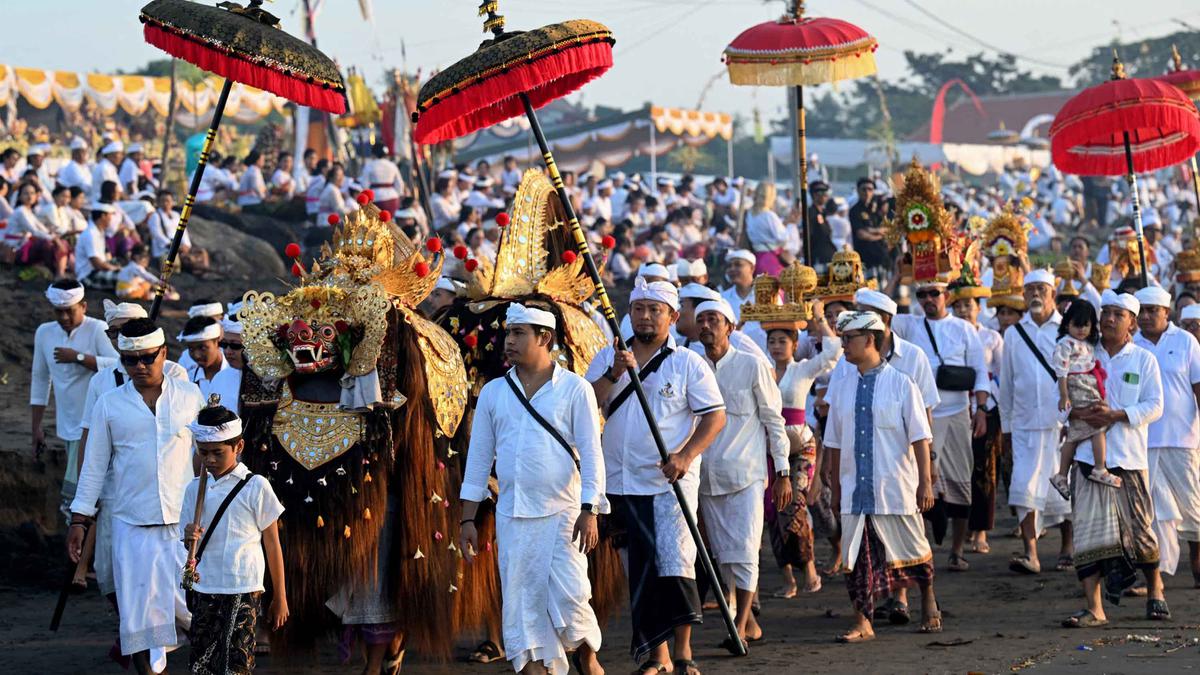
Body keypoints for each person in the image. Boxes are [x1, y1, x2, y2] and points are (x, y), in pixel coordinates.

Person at [585, 278, 725, 675]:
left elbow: (715, 416)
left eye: (655, 310)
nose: (645, 317)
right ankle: (657, 656)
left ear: (673, 317)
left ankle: (683, 652)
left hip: (669, 482)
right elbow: (588, 403)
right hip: (620, 482)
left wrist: (685, 455)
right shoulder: (608, 356)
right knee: (640, 569)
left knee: (676, 564)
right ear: (629, 313)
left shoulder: (687, 363)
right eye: (639, 309)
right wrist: (613, 373)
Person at [460, 304, 607, 675]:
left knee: (574, 603)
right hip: (513, 517)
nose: (508, 341)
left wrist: (590, 509)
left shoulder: (575, 389)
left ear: (545, 338)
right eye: (508, 333)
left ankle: (589, 664)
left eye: (519, 333)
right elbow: (478, 460)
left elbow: (591, 454)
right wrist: (467, 519)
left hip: (565, 516)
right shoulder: (494, 392)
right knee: (522, 613)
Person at [67, 318, 204, 674]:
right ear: (121, 360)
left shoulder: (190, 397)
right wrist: (79, 519)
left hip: (183, 525)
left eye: (147, 357)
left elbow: (208, 458)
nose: (140, 366)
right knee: (136, 619)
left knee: (190, 612)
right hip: (130, 526)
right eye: (131, 360)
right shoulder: (109, 404)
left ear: (164, 353)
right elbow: (94, 468)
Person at [823, 310, 938, 642]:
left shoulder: (902, 384)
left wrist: (925, 481)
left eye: (849, 339)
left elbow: (920, 437)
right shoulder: (842, 385)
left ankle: (928, 600)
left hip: (894, 487)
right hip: (854, 489)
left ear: (869, 340)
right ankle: (863, 621)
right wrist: (833, 487)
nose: (843, 345)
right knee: (856, 558)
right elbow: (832, 439)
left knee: (914, 548)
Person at [1063, 290, 1166, 627]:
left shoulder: (1143, 360)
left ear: (1131, 323)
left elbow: (1155, 406)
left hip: (1129, 458)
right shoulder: (1083, 353)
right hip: (1085, 457)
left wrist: (1117, 415)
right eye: (1105, 312)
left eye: (1117, 314)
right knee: (1088, 534)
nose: (1108, 319)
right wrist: (1081, 413)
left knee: (1140, 531)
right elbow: (1061, 399)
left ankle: (1156, 591)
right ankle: (1094, 608)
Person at [694, 298, 791, 648]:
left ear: (730, 327)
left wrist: (783, 471)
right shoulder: (692, 366)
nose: (706, 325)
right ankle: (748, 624)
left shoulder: (752, 365)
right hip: (706, 477)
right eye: (701, 319)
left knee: (747, 550)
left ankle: (737, 626)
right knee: (723, 555)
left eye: (713, 319)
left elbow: (773, 420)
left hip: (747, 474)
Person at [891, 280, 990, 572]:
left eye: (934, 293)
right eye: (922, 294)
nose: (928, 299)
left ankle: (957, 550)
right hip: (920, 414)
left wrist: (981, 408)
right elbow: (881, 313)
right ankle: (920, 551)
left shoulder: (963, 328)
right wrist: (900, 275)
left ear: (946, 296)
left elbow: (980, 371)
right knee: (918, 480)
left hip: (958, 410)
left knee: (960, 481)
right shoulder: (909, 325)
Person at [182, 402, 288, 674]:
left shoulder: (257, 486)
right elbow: (189, 544)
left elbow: (272, 543)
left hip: (243, 587)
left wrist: (280, 596)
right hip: (205, 587)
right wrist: (188, 536)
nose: (210, 460)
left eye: (218, 453)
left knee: (237, 664)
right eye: (203, 452)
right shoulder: (194, 489)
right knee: (202, 663)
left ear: (238, 447)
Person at [764, 303, 842, 598]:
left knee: (794, 504)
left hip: (801, 446)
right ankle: (788, 578)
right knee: (772, 511)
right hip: (771, 447)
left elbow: (834, 350)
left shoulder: (803, 368)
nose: (776, 346)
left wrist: (819, 317)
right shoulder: (763, 370)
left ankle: (808, 567)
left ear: (795, 344)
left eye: (783, 340)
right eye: (772, 341)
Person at [999, 269, 1074, 575]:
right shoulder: (1014, 334)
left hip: (1061, 425)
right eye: (1029, 289)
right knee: (1022, 487)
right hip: (1024, 424)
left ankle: (1067, 548)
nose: (1035, 295)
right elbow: (1007, 385)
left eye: (1041, 289)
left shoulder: (1066, 331)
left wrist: (1076, 419)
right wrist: (1005, 429)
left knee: (1063, 486)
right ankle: (1031, 553)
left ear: (1053, 293)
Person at [32, 280, 119, 517]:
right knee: (79, 491)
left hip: (98, 423)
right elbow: (40, 380)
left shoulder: (99, 329)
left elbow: (121, 364)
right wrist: (36, 427)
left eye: (69, 311)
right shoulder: (44, 333)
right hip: (67, 424)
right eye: (58, 312)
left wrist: (80, 357)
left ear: (84, 306)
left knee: (88, 491)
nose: (63, 317)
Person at [1132, 285, 1200, 586]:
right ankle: (1154, 575)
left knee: (1193, 507)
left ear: (1166, 312)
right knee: (1149, 512)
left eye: (1151, 311)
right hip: (1142, 441)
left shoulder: (1186, 342)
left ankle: (1196, 559)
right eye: (1141, 311)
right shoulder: (1130, 345)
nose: (1145, 317)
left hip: (1182, 439)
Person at [948, 282, 1003, 554]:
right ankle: (963, 524)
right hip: (956, 407)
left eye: (968, 305)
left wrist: (996, 410)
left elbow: (1003, 374)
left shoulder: (992, 337)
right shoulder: (949, 335)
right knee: (959, 470)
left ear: (979, 308)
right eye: (957, 305)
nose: (963, 310)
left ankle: (981, 530)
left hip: (986, 408)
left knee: (984, 471)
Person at [1049, 299, 1118, 496]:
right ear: (1067, 324)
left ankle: (1062, 475)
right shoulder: (1065, 344)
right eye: (1076, 325)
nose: (1081, 330)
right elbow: (1061, 372)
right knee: (1098, 425)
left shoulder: (1088, 343)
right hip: (1077, 387)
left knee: (1076, 434)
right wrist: (1064, 396)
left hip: (1089, 385)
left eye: (1086, 325)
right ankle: (1098, 468)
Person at [9, 180, 69, 278]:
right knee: (47, 244)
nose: (29, 196)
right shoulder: (21, 211)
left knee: (61, 242)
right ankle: (56, 272)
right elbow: (35, 231)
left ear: (36, 196)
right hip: (17, 250)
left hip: (24, 246)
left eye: (32, 193)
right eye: (26, 193)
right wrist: (53, 238)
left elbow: (42, 228)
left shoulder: (29, 211)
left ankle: (59, 272)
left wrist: (54, 237)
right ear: (19, 196)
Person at [179, 316, 230, 398]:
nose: (197, 355)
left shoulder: (236, 375)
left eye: (202, 348)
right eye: (191, 349)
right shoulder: (188, 379)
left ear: (217, 341)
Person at [745, 183, 790, 275]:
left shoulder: (749, 214)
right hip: (770, 257)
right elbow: (783, 238)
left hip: (756, 256)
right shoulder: (769, 215)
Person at [75, 203, 121, 289]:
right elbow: (97, 263)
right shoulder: (90, 234)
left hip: (97, 270)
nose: (111, 219)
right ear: (103, 216)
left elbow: (106, 257)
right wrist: (115, 269)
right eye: (110, 215)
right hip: (88, 276)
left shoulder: (98, 231)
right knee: (125, 278)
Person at [208, 317, 244, 415]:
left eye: (235, 345)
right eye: (224, 344)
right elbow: (211, 415)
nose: (228, 351)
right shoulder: (220, 378)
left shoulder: (271, 382)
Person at [360, 144, 404, 213]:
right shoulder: (392, 165)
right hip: (393, 198)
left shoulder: (369, 165)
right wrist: (399, 195)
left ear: (373, 154)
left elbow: (364, 185)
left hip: (376, 199)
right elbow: (400, 184)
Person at [720, 250, 757, 322]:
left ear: (752, 268)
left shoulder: (767, 294)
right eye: (729, 266)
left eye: (738, 265)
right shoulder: (723, 298)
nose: (732, 269)